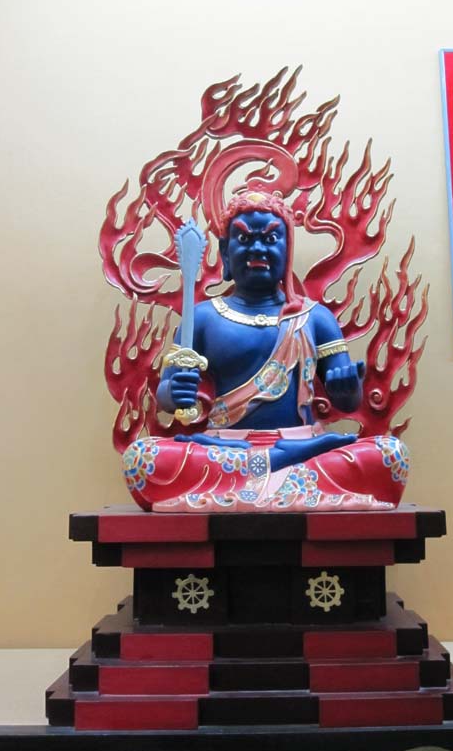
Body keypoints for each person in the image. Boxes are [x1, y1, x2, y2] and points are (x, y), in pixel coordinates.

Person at [123, 191, 410, 512]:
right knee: (143, 459)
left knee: (390, 455)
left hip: (302, 445)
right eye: (244, 239)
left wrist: (346, 388)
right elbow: (166, 397)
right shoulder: (203, 317)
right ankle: (281, 473)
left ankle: (258, 477)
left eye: (271, 238)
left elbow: (349, 402)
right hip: (226, 449)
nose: (258, 248)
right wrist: (174, 393)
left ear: (288, 251)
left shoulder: (315, 318)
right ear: (225, 252)